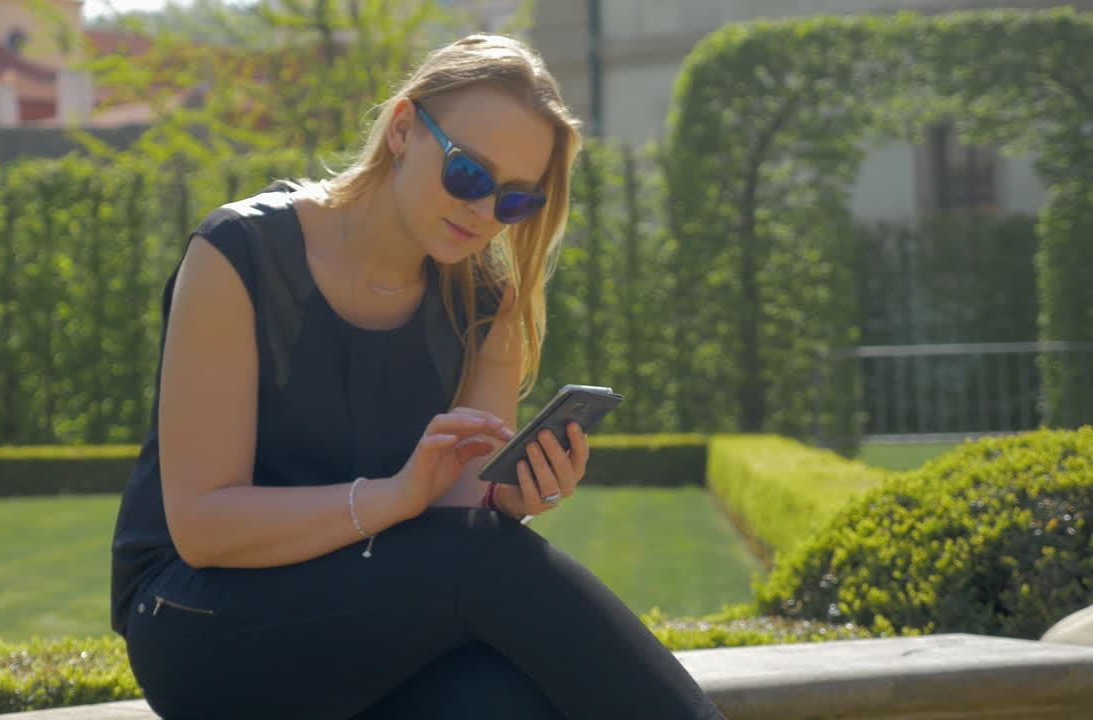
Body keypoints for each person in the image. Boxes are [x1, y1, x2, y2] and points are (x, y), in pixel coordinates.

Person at [109, 33, 727, 719]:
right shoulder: (239, 255)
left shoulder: (486, 303)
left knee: (509, 704)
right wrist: (395, 496)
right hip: (199, 617)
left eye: (517, 200)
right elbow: (202, 525)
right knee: (485, 560)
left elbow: (452, 520)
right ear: (403, 129)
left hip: (367, 622)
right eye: (469, 174)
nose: (486, 212)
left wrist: (509, 497)